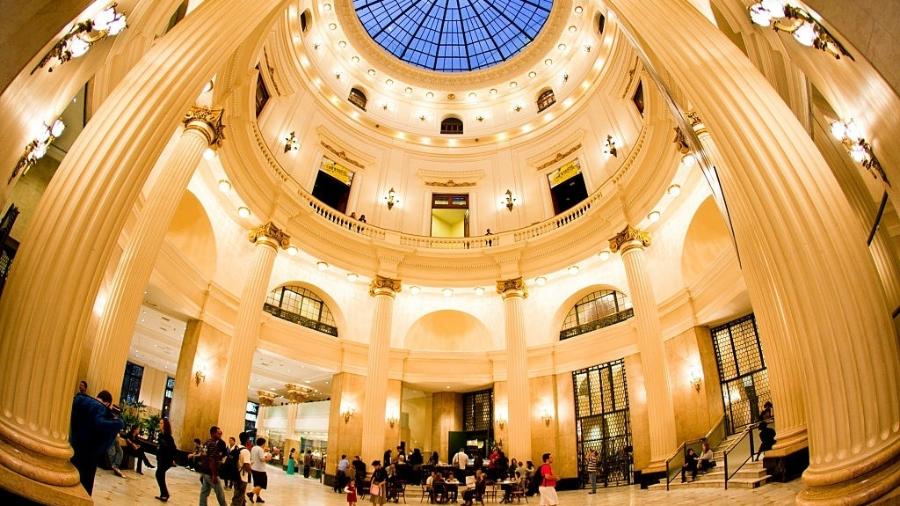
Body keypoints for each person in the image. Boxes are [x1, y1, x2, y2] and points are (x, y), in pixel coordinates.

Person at [69, 389, 124, 495]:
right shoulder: (100, 408)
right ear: (107, 403)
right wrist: (119, 423)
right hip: (89, 454)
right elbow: (100, 423)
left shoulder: (82, 401)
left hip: (74, 447)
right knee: (85, 485)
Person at [198, 425, 228, 506]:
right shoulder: (213, 444)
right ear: (213, 433)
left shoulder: (207, 442)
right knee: (220, 493)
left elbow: (202, 456)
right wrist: (214, 475)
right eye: (218, 433)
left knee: (204, 492)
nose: (219, 435)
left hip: (205, 471)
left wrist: (203, 471)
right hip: (210, 473)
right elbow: (212, 460)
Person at [154, 418, 176, 502]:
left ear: (165, 425)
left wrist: (172, 459)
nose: (160, 425)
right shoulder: (160, 435)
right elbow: (160, 446)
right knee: (160, 475)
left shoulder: (168, 436)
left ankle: (165, 494)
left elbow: (173, 449)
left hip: (167, 460)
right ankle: (164, 494)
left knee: (159, 474)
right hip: (161, 458)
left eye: (161, 423)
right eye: (160, 423)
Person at [248, 437, 271, 504]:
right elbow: (262, 459)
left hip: (253, 468)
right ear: (263, 443)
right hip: (260, 470)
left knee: (257, 484)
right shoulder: (260, 449)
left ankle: (258, 498)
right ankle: (251, 494)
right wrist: (268, 458)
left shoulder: (254, 448)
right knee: (261, 484)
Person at [231, 432, 252, 506]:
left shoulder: (235, 447)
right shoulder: (246, 451)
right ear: (247, 440)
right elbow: (247, 468)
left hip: (235, 475)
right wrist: (251, 467)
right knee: (237, 500)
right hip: (242, 478)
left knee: (240, 497)